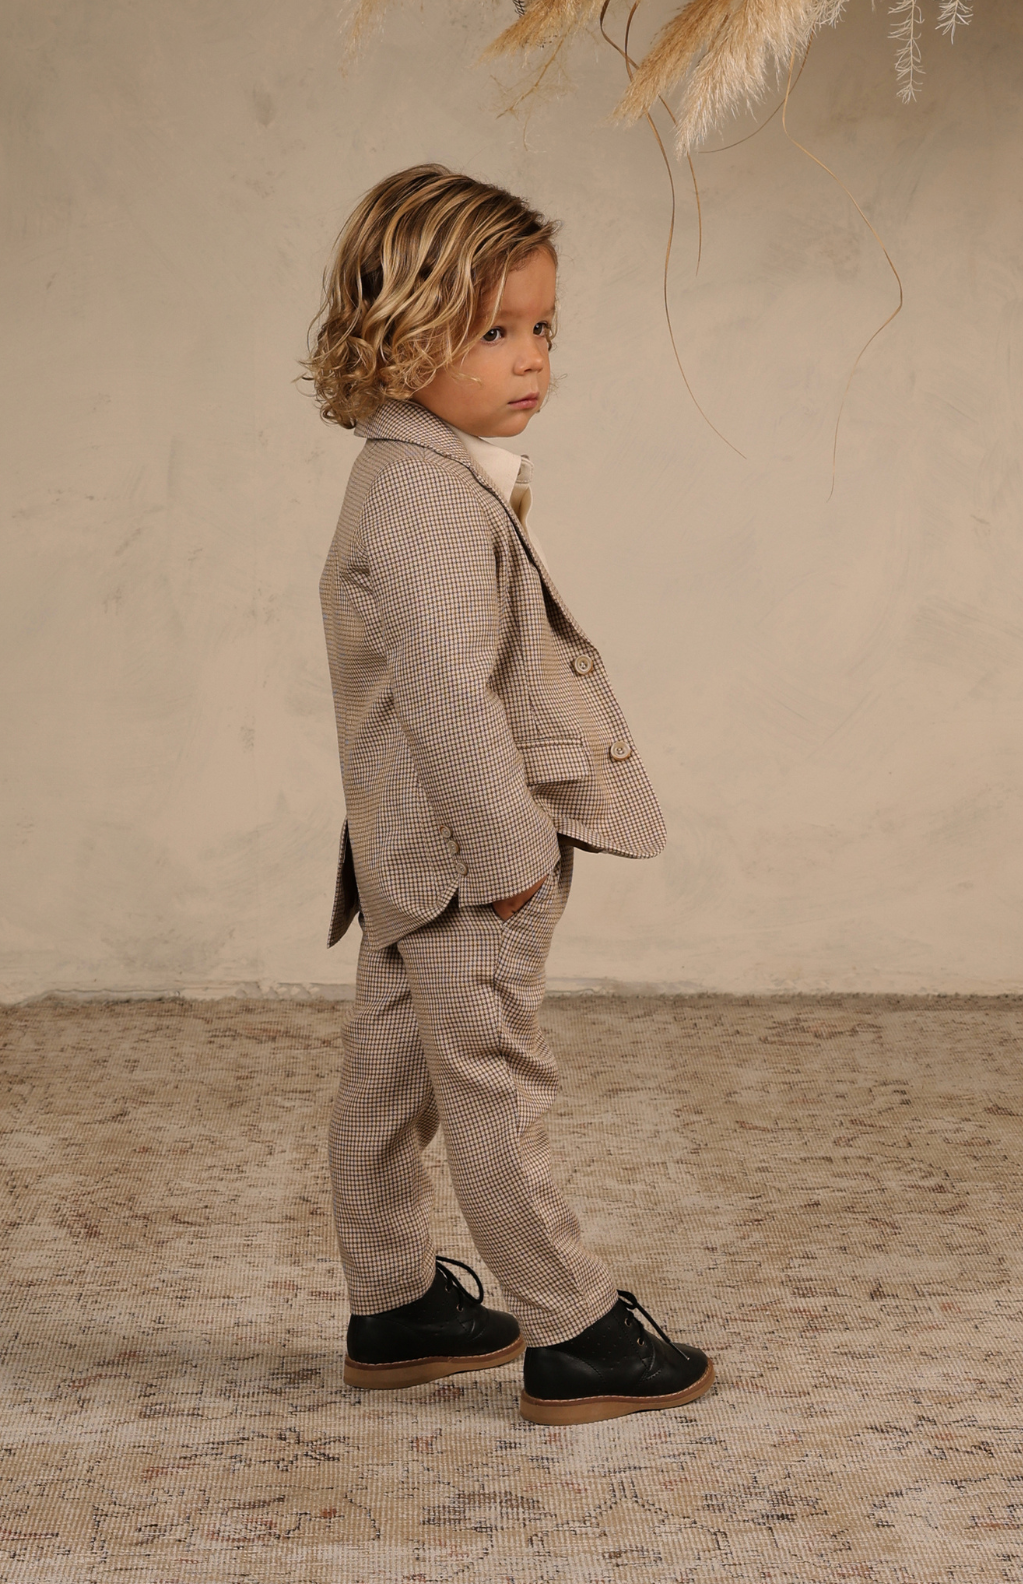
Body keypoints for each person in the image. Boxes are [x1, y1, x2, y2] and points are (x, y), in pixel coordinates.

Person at [303, 163, 713, 1425]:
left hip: (401, 858)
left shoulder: (410, 466)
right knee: (497, 1091)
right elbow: (448, 697)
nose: (531, 355)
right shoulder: (426, 496)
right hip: (468, 861)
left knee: (389, 1078)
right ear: (400, 326)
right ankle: (577, 1330)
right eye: (494, 329)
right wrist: (512, 854)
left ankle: (394, 1300)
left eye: (542, 327)